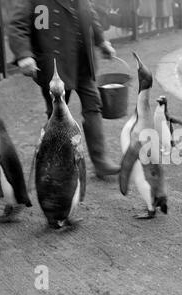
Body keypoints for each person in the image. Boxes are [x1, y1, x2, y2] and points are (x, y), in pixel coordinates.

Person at [9, 0, 120, 179]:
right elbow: (17, 26)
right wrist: (24, 55)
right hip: (55, 66)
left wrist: (102, 41)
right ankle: (58, 164)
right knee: (57, 117)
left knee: (94, 106)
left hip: (83, 63)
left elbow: (90, 15)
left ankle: (101, 161)